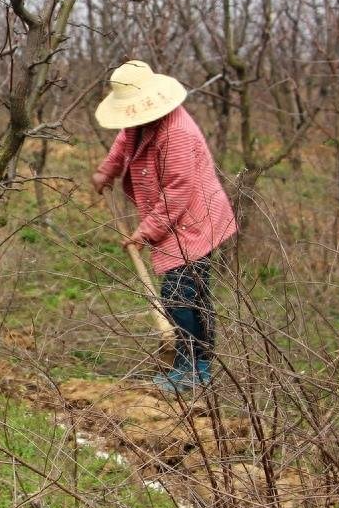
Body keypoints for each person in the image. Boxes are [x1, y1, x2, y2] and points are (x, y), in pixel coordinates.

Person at [91, 60, 236, 393]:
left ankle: (193, 366)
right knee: (189, 292)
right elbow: (124, 142)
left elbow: (177, 191)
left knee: (179, 295)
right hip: (175, 219)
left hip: (195, 221)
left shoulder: (176, 133)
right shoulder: (139, 122)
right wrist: (107, 170)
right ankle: (196, 362)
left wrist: (145, 232)